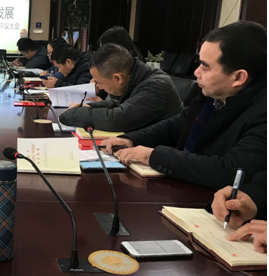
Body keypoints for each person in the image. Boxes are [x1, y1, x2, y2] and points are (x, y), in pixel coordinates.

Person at [103, 21, 267, 190]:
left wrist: (153, 156)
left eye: (205, 67)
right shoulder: (212, 96)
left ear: (238, 78)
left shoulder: (262, 113)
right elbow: (174, 127)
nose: (196, 72)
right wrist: (130, 139)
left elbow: (230, 171)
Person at [58, 43, 182, 131]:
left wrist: (72, 114)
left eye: (99, 82)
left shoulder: (155, 87)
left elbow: (117, 119)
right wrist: (89, 106)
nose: (99, 87)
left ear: (118, 78)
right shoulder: (137, 76)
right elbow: (119, 104)